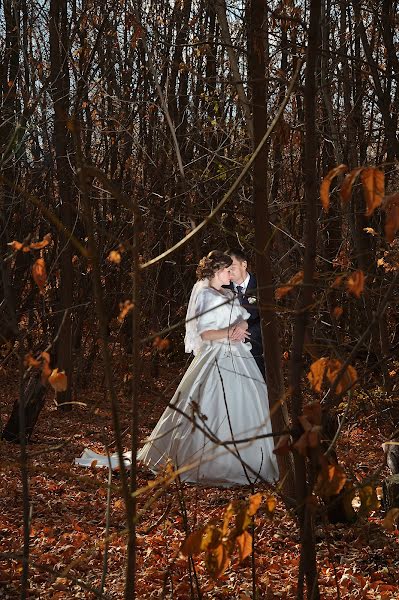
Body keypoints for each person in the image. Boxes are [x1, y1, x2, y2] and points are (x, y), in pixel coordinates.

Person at [137, 250, 279, 486]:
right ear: (215, 271)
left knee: (248, 404)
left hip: (240, 355)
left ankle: (256, 460)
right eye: (226, 270)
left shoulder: (229, 293)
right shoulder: (204, 294)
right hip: (217, 355)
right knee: (212, 405)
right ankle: (209, 461)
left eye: (231, 269)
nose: (230, 274)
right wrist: (229, 333)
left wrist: (240, 328)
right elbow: (205, 333)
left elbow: (244, 317)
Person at [224, 249, 265, 378]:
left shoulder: (261, 286)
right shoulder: (224, 289)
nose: (229, 272)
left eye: (233, 267)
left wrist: (245, 330)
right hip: (229, 347)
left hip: (257, 347)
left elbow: (266, 317)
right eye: (227, 269)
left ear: (244, 265)